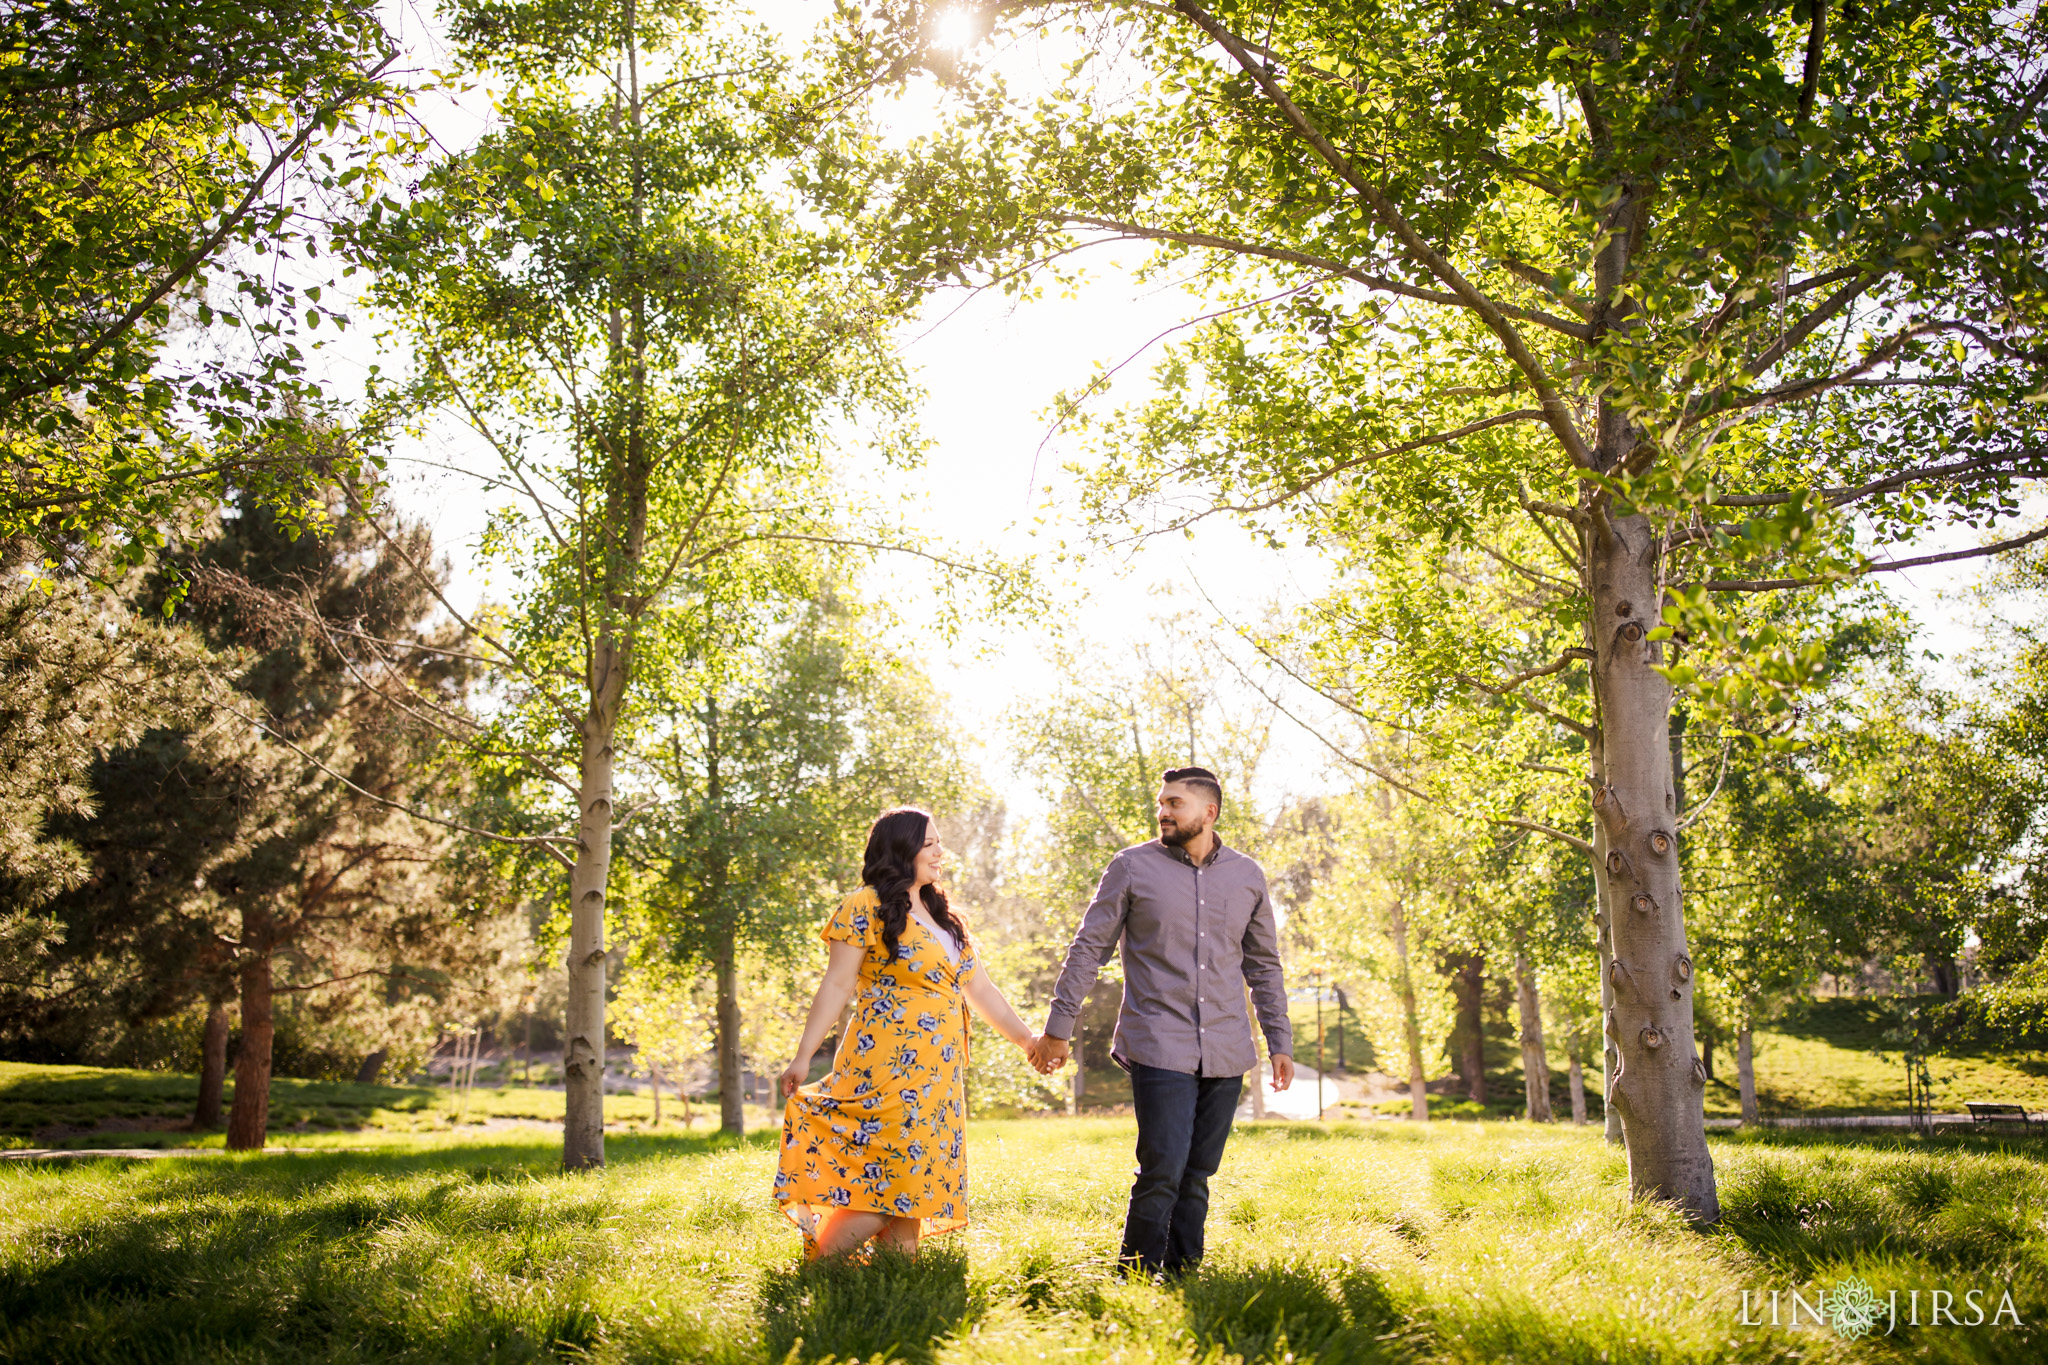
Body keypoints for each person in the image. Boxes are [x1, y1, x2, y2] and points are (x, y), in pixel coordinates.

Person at [1027, 766, 1294, 1278]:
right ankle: (1134, 1276)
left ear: (1209, 812)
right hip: (1158, 1039)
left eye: (1175, 803)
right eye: (1162, 803)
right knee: (1163, 1170)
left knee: (1197, 1174)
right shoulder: (1131, 867)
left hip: (1226, 1045)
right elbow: (1089, 949)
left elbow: (1263, 965)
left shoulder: (1247, 876)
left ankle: (1183, 1276)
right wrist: (1058, 1028)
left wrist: (1279, 1039)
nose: (1163, 812)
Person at [774, 806, 1039, 1259]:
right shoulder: (864, 906)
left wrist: (1028, 1041)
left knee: (913, 1182)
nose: (940, 852)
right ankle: (820, 1277)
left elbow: (979, 988)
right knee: (892, 1176)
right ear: (902, 849)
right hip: (888, 1065)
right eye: (930, 843)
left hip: (939, 1075)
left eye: (939, 842)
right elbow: (836, 985)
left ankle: (894, 1286)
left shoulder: (946, 916)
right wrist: (803, 1055)